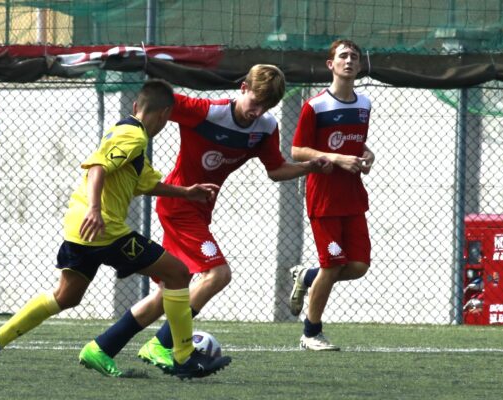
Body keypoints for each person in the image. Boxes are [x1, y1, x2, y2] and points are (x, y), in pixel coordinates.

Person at [0, 79, 231, 380]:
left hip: (78, 228)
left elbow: (146, 184)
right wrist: (95, 209)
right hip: (104, 229)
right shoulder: (133, 137)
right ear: (165, 115)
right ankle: (183, 355)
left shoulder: (126, 133)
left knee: (65, 296)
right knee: (178, 274)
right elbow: (98, 168)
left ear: (135, 106)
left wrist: (186, 192)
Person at [82, 64, 332, 375]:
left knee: (170, 290)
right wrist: (120, 141)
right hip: (179, 205)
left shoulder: (265, 128)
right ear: (242, 88)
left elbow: (276, 169)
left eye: (266, 106)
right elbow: (154, 106)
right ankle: (163, 344)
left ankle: (102, 347)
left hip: (197, 210)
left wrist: (311, 166)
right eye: (255, 102)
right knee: (218, 274)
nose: (258, 111)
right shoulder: (205, 112)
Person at [288, 39, 375, 351]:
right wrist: (336, 159)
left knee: (359, 266)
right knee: (333, 264)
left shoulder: (364, 104)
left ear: (360, 66)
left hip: (352, 196)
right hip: (323, 198)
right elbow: (297, 151)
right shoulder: (315, 106)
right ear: (331, 65)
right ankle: (311, 333)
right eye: (343, 56)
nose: (349, 61)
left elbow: (356, 144)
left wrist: (367, 156)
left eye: (354, 56)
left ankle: (306, 276)